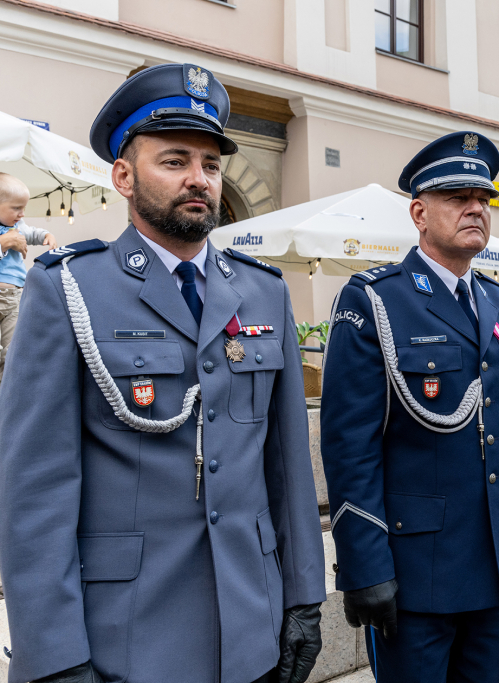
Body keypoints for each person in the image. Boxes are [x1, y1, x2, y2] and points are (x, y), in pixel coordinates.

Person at [0, 63, 326, 683]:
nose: (198, 179)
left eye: (210, 163)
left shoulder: (263, 292)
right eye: (174, 161)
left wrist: (303, 599)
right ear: (124, 176)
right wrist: (53, 654)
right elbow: (34, 493)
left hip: (249, 628)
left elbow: (284, 467)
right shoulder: (68, 288)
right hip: (126, 638)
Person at [320, 131, 499, 683]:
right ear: (419, 212)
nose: (476, 209)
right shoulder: (375, 299)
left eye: (483, 199)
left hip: (492, 560)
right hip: (415, 569)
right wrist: (364, 564)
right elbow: (350, 445)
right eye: (457, 198)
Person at [0, 172, 57, 381]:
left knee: (13, 348)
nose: (22, 214)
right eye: (16, 208)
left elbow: (32, 232)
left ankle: (7, 389)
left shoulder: (18, 226)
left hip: (15, 296)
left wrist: (45, 235)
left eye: (23, 208)